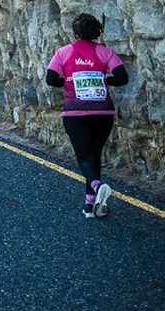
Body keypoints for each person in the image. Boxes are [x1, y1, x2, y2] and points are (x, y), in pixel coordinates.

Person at [46, 13, 129, 218]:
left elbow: (50, 78)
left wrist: (67, 82)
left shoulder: (63, 52)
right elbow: (122, 77)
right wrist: (103, 80)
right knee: (94, 156)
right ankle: (91, 205)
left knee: (83, 156)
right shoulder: (105, 52)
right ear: (96, 31)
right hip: (103, 112)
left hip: (75, 112)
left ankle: (96, 185)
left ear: (75, 32)